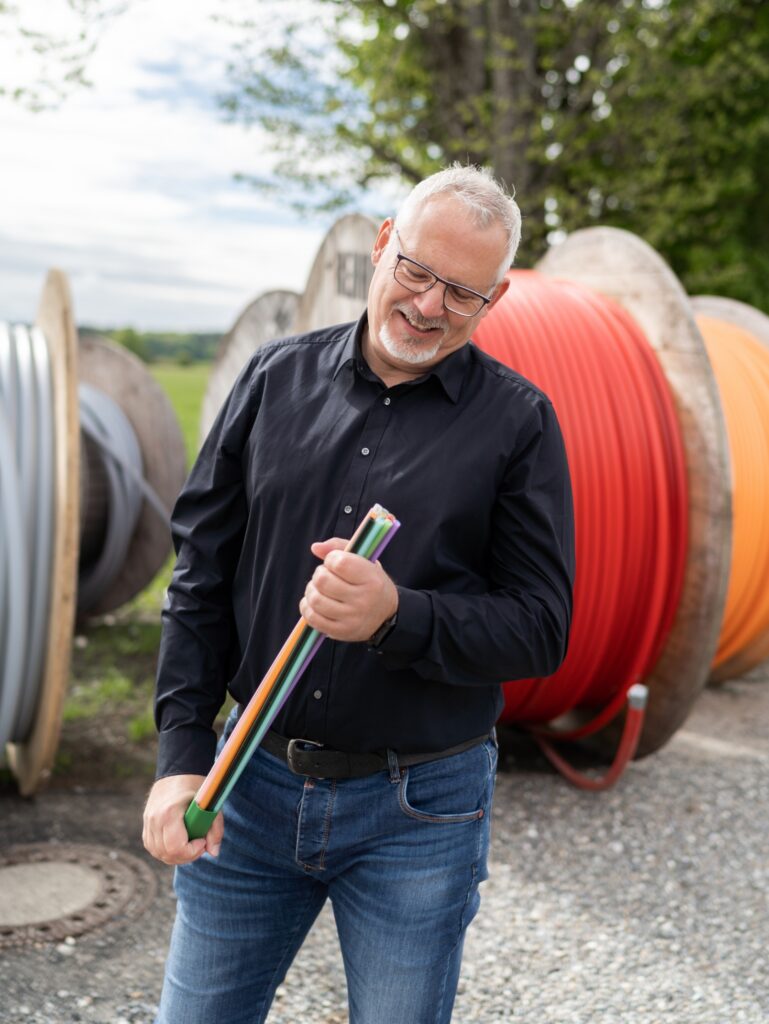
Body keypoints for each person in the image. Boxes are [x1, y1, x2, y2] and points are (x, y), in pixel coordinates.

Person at [143, 164, 575, 1024]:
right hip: (247, 784)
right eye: (415, 270)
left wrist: (397, 616)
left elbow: (540, 629)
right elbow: (198, 578)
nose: (426, 305)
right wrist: (180, 756)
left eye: (461, 292)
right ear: (382, 245)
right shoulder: (271, 381)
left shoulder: (519, 424)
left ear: (492, 301)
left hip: (420, 813)